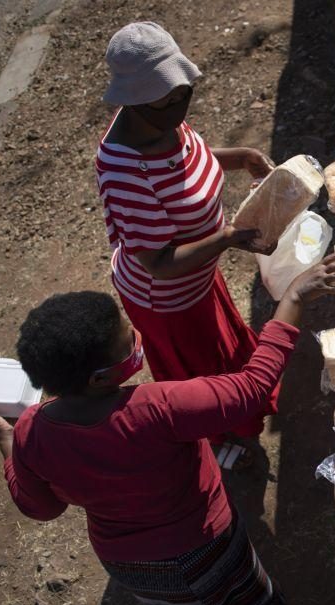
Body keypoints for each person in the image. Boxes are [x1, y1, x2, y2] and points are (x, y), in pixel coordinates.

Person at [0, 253, 335, 605]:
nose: (137, 337)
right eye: (129, 337)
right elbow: (251, 388)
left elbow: (42, 508)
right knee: (240, 594)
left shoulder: (33, 432)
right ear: (100, 378)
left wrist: (10, 447)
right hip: (206, 542)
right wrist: (294, 298)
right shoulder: (156, 407)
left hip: (131, 564)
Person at [95, 21, 280, 453]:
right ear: (135, 101)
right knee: (203, 379)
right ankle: (221, 440)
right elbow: (158, 262)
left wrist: (243, 158)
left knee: (227, 354)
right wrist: (227, 238)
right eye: (170, 98)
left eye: (183, 93)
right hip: (169, 299)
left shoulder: (160, 120)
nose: (181, 104)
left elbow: (187, 157)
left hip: (198, 278)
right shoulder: (123, 169)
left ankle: (242, 413)